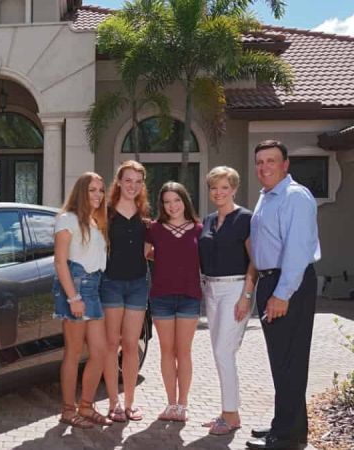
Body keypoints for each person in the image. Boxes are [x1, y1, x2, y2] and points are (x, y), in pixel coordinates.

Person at [246, 140, 321, 450]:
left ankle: (287, 438)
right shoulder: (268, 197)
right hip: (271, 282)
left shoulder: (295, 197)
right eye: (260, 162)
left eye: (271, 161)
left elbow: (297, 250)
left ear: (285, 164)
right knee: (282, 361)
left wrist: (282, 293)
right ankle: (287, 426)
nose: (264, 167)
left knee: (290, 361)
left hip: (289, 284)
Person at [198, 166, 257, 435]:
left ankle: (231, 415)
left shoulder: (245, 218)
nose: (218, 192)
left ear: (234, 188)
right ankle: (227, 411)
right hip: (211, 290)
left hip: (235, 289)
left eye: (224, 187)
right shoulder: (209, 220)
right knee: (221, 353)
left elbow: (255, 261)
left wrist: (246, 295)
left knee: (224, 351)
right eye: (214, 187)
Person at [52, 172, 113, 429]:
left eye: (101, 190)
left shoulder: (94, 221)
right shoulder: (67, 219)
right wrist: (73, 297)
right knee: (74, 352)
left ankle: (86, 406)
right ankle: (68, 409)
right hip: (76, 286)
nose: (98, 195)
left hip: (94, 286)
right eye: (92, 190)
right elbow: (60, 261)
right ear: (81, 192)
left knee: (100, 352)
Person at [145, 181, 202, 423]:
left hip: (190, 297)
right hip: (162, 297)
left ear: (184, 200)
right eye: (167, 202)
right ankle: (171, 404)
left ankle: (183, 404)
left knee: (184, 351)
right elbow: (146, 253)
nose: (172, 206)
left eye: (176, 200)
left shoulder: (199, 229)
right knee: (167, 351)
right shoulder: (154, 229)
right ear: (162, 205)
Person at [100, 160, 150, 422]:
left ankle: (130, 403)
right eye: (128, 180)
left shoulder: (145, 217)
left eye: (138, 181)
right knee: (111, 344)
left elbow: (149, 250)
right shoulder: (105, 213)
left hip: (138, 285)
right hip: (111, 285)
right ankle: (113, 403)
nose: (133, 185)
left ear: (142, 185)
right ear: (119, 182)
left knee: (131, 346)